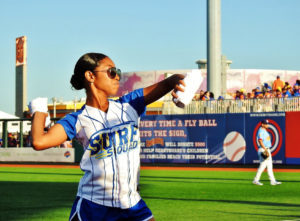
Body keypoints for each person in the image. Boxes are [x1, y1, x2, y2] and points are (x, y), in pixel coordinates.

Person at [30, 52, 185, 221]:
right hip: (94, 206)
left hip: (132, 203)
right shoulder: (77, 119)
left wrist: (179, 81)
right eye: (111, 71)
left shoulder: (129, 105)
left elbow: (170, 82)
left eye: (117, 72)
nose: (117, 76)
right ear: (90, 76)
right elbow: (39, 142)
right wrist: (39, 112)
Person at [253, 119, 282, 186]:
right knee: (263, 166)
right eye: (266, 124)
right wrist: (265, 150)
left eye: (267, 123)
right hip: (263, 149)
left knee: (269, 166)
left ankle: (272, 181)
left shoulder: (264, 130)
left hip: (266, 149)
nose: (267, 124)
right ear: (262, 124)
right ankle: (256, 180)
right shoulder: (261, 131)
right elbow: (260, 141)